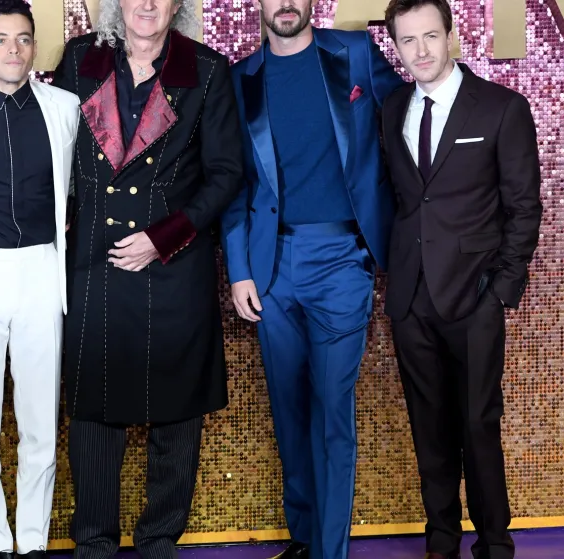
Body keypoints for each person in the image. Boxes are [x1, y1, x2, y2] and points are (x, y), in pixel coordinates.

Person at [49, 1, 243, 557]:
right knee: (93, 415)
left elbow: (227, 173)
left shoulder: (206, 70)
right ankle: (95, 543)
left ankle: (160, 540)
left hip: (172, 266)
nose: (147, 4)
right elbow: (57, 152)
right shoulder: (82, 58)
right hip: (94, 262)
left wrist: (165, 236)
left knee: (177, 414)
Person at [220, 1, 406, 557]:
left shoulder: (352, 53)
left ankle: (331, 551)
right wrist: (239, 268)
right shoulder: (241, 77)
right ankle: (302, 540)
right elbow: (234, 182)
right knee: (290, 412)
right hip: (272, 267)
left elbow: (407, 114)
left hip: (342, 259)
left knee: (332, 410)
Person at [381, 1, 542, 558]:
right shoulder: (392, 107)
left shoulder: (501, 108)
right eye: (408, 40)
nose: (421, 50)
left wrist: (501, 290)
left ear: (452, 35)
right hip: (410, 295)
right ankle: (441, 541)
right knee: (429, 427)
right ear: (395, 46)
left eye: (430, 36)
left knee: (477, 424)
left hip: (474, 296)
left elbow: (525, 207)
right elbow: (404, 200)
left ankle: (495, 545)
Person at [0, 1, 79, 559]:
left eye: (23, 39)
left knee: (39, 423)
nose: (12, 50)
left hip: (42, 268)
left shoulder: (66, 107)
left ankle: (31, 543)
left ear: (34, 46)